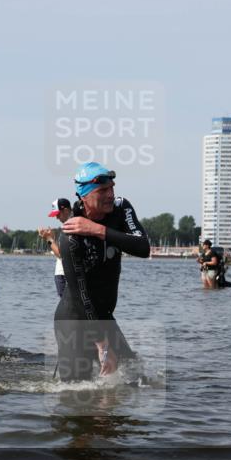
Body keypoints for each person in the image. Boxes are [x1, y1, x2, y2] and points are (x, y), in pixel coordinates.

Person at [54, 162, 150, 381]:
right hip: (75, 320)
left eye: (112, 188)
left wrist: (98, 230)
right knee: (75, 391)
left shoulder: (121, 208)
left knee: (135, 378)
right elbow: (80, 296)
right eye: (102, 191)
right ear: (84, 196)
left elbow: (143, 247)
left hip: (103, 316)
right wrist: (103, 345)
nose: (110, 195)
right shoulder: (71, 236)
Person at [38, 198, 72, 297]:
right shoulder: (71, 225)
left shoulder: (70, 227)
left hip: (64, 274)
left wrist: (48, 239)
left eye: (58, 214)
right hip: (66, 273)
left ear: (66, 211)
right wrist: (52, 238)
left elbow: (61, 254)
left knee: (67, 304)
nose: (56, 218)